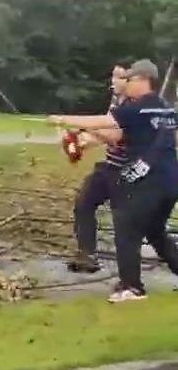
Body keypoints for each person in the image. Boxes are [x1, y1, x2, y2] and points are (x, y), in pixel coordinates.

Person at [49, 59, 178, 303]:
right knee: (155, 231)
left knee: (126, 226)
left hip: (149, 182)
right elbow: (119, 134)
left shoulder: (137, 108)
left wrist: (63, 120)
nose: (124, 83)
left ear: (142, 80)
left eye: (129, 79)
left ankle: (133, 287)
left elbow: (104, 123)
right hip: (170, 181)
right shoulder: (166, 109)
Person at [69, 65, 129, 273]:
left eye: (119, 77)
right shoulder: (115, 102)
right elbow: (105, 132)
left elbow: (115, 134)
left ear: (131, 80)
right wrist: (81, 142)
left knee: (130, 220)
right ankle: (88, 255)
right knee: (83, 202)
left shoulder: (134, 106)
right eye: (113, 76)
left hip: (129, 172)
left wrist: (85, 128)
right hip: (110, 166)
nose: (113, 81)